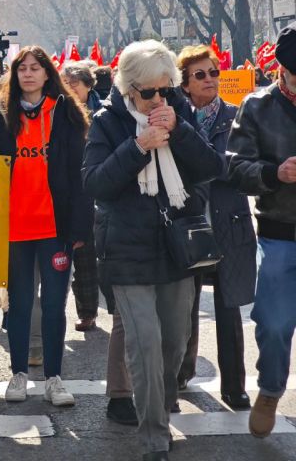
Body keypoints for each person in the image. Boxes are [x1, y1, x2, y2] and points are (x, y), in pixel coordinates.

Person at [83, 40, 223, 461]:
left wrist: (178, 131)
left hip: (176, 249)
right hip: (126, 251)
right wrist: (137, 146)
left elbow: (211, 167)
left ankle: (159, 410)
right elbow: (95, 184)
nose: (159, 99)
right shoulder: (107, 122)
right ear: (129, 88)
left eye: (166, 90)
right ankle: (154, 438)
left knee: (173, 346)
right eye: (149, 93)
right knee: (142, 345)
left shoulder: (178, 112)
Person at [0, 45, 91, 407]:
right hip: (14, 228)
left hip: (55, 227)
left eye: (35, 67)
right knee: (20, 305)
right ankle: (18, 374)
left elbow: (79, 175)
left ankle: (55, 378)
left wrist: (79, 230)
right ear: (14, 74)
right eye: (21, 68)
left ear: (47, 74)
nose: (28, 73)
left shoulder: (67, 113)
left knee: (55, 305)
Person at [176, 45, 256, 409]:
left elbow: (243, 167)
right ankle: (182, 372)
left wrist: (206, 163)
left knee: (228, 309)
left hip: (229, 222)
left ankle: (235, 385)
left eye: (214, 73)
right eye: (201, 75)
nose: (210, 80)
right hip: (188, 223)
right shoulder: (177, 119)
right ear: (185, 84)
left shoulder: (236, 116)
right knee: (184, 305)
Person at [227, 23, 296, 438]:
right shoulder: (256, 106)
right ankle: (270, 390)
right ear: (283, 71)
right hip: (279, 233)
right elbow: (234, 167)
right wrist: (276, 172)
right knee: (273, 324)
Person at [61, 62, 102, 332]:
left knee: (87, 259)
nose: (70, 88)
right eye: (66, 83)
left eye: (75, 83)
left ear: (88, 85)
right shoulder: (57, 111)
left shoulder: (103, 113)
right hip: (65, 189)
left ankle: (88, 312)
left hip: (95, 191)